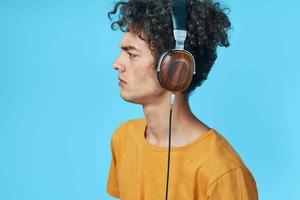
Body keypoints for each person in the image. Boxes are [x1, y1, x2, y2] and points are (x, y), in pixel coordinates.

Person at [106, 0, 258, 199]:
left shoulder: (222, 170)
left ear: (175, 67)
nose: (117, 64)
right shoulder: (123, 139)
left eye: (131, 54)